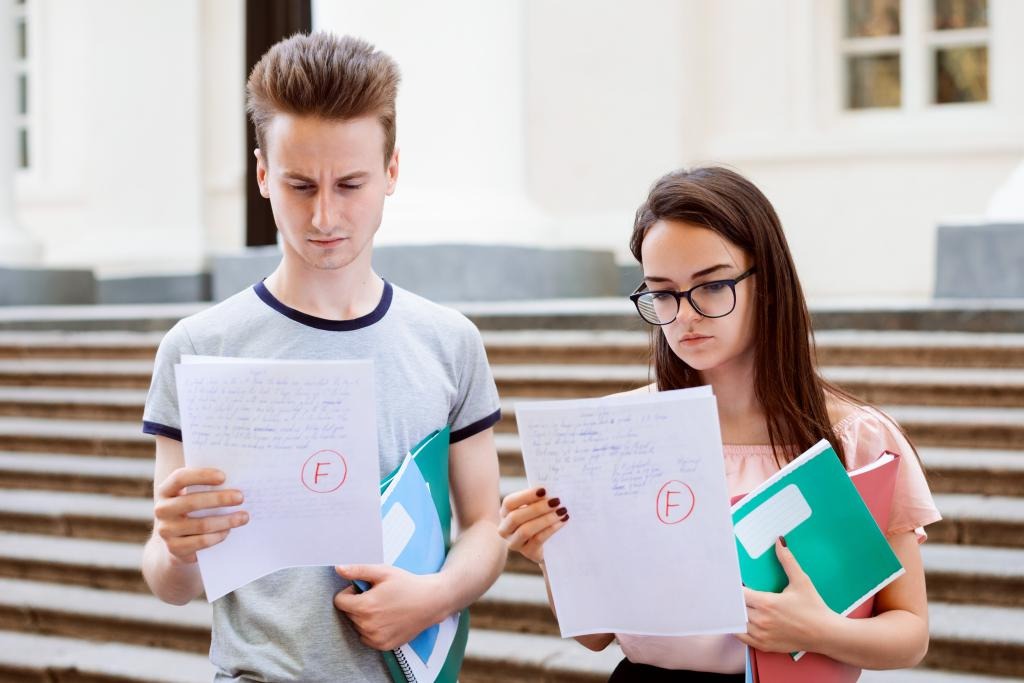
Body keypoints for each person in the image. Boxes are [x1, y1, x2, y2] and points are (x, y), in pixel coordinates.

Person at [141, 32, 506, 681]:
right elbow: (171, 584)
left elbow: (486, 524)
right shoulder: (199, 348)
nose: (325, 214)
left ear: (393, 171)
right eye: (300, 184)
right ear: (262, 175)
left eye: (352, 182)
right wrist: (177, 547)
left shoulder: (449, 342)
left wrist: (436, 596)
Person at [498, 166, 941, 682]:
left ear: (768, 283)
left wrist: (816, 630)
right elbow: (597, 636)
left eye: (711, 287)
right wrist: (553, 553)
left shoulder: (856, 438)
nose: (684, 315)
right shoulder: (619, 433)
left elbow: (909, 633)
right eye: (661, 293)